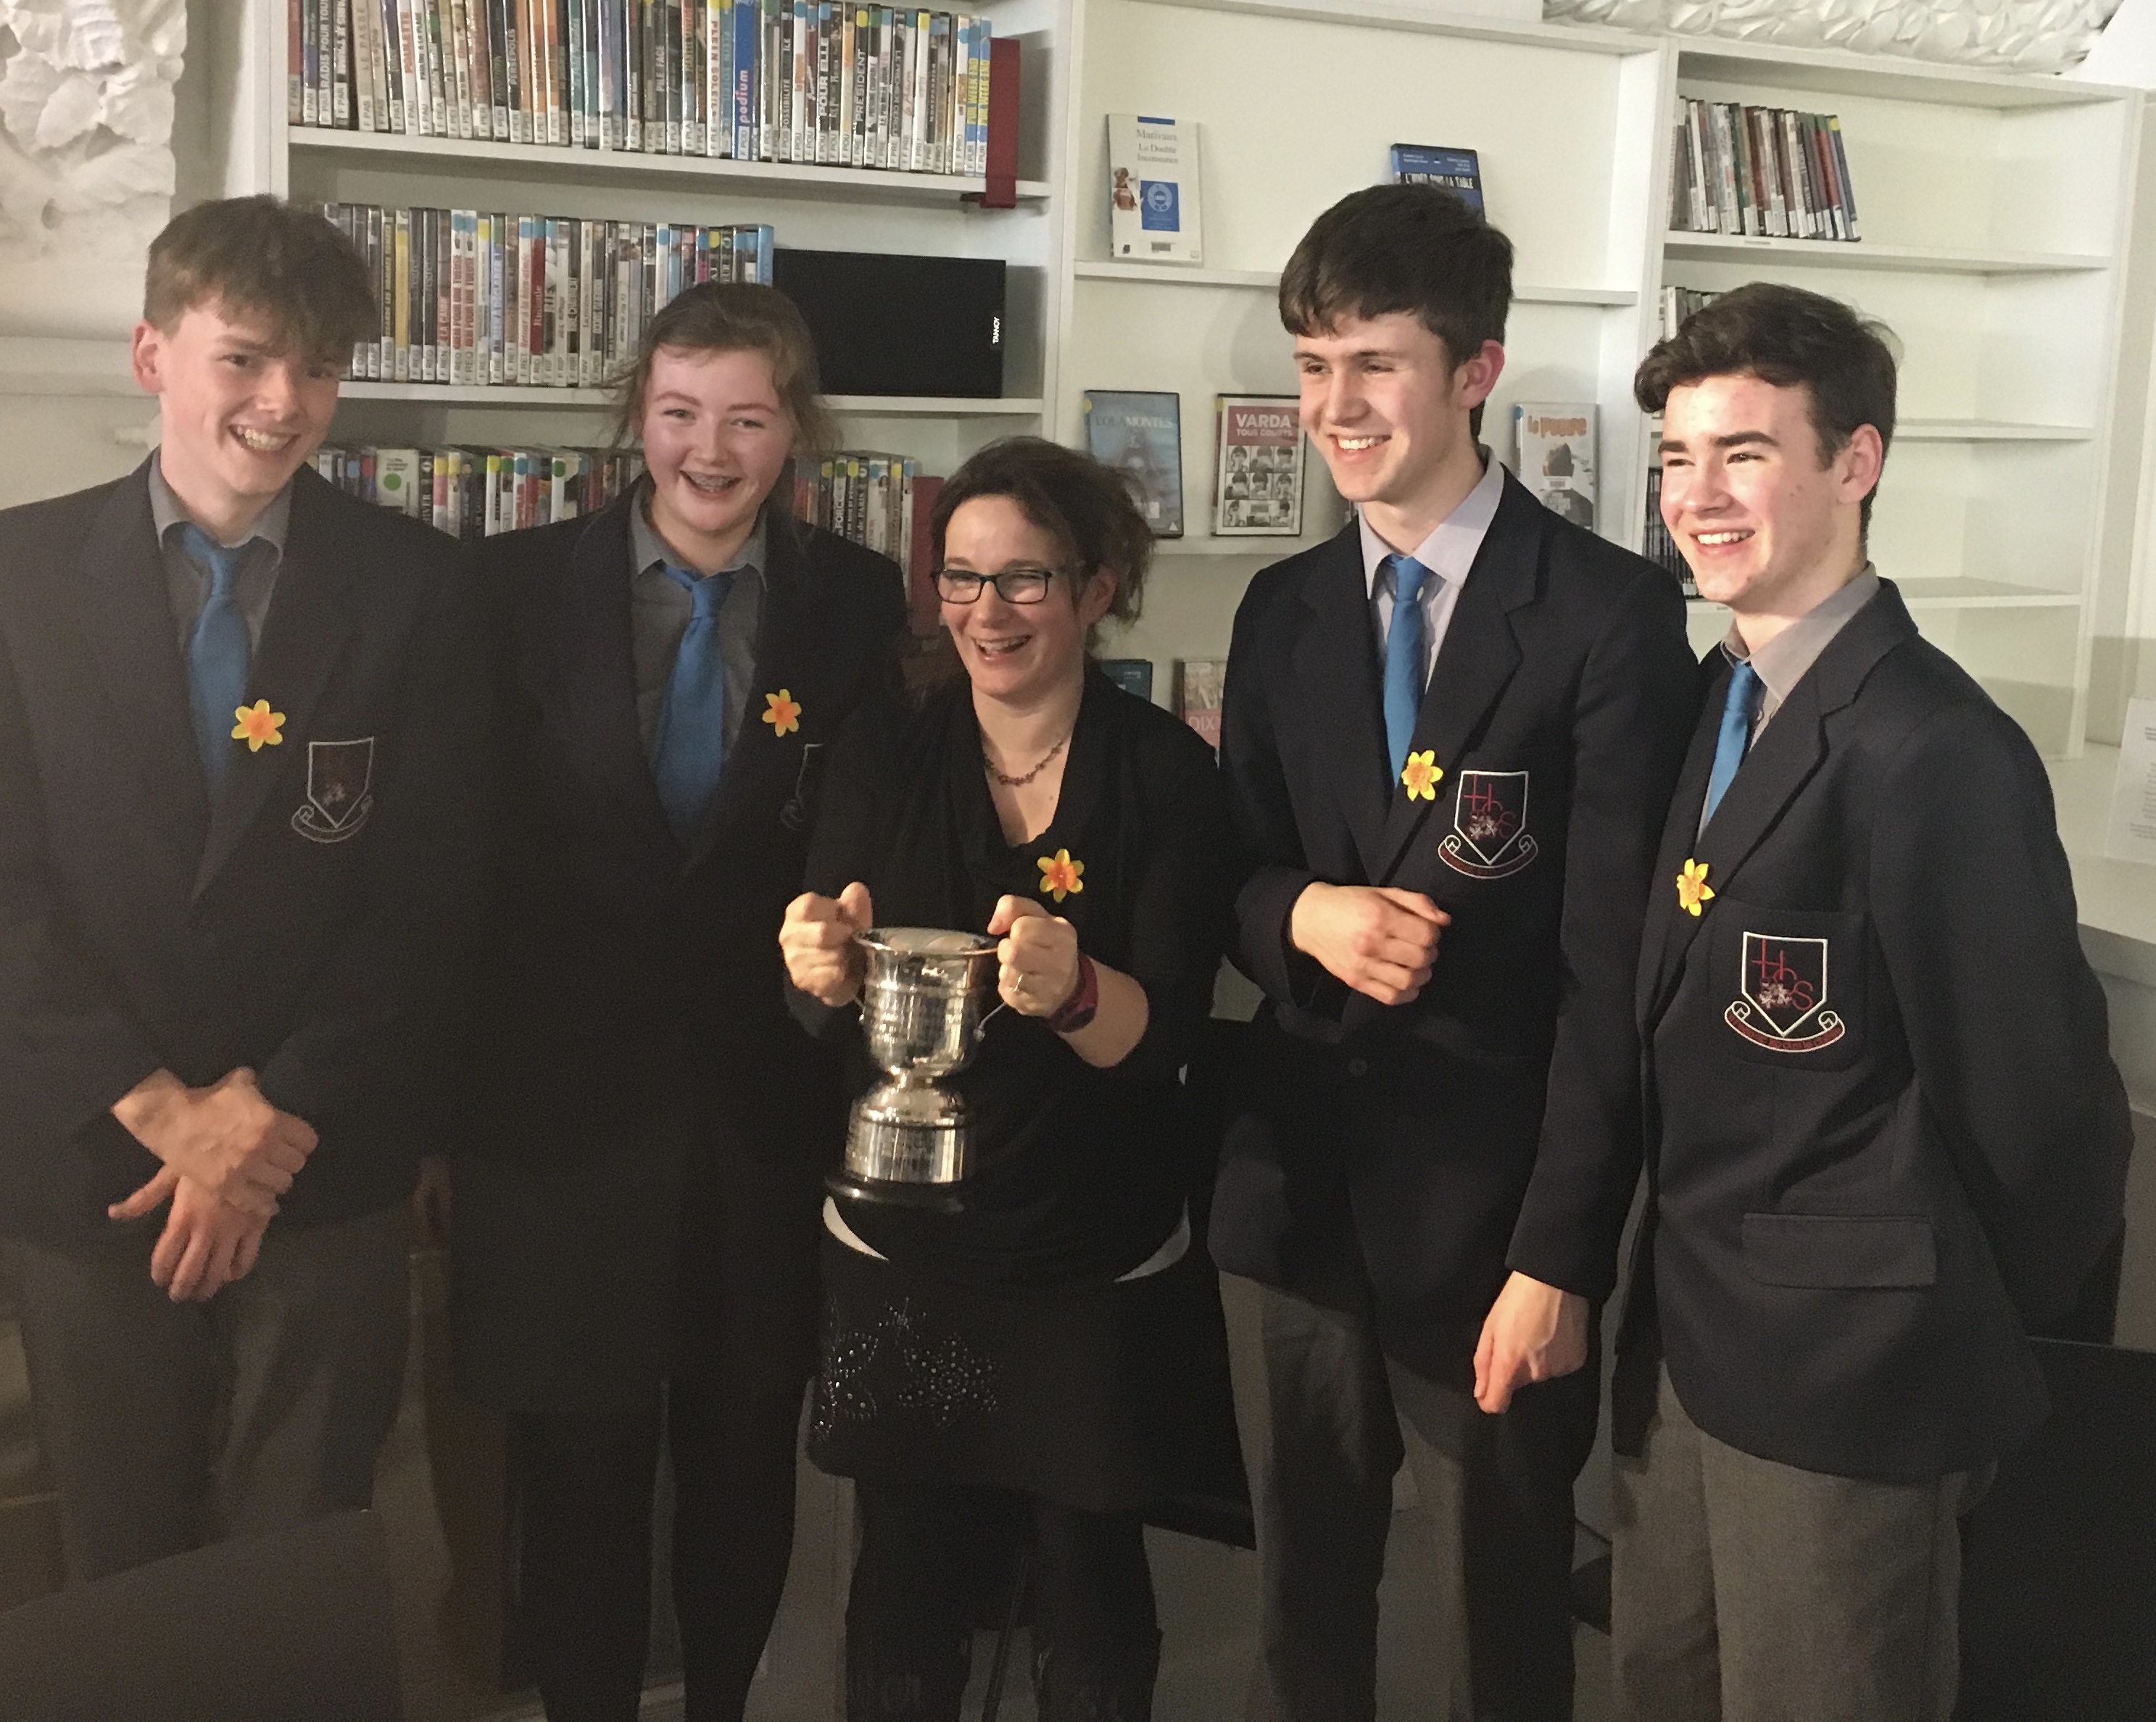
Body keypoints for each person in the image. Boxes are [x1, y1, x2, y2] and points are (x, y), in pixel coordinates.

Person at [1209, 183, 1699, 1721]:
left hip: (1492, 1223)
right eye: (1308, 366)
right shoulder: (1280, 610)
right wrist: (1301, 913)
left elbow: (1611, 970)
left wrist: (1559, 1255)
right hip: (1291, 1193)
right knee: (1300, 1600)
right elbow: (1224, 871)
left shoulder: (1609, 618)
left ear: (1474, 370)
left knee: (1497, 1613)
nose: (1331, 408)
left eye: (1371, 364)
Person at [1612, 282, 2132, 1721]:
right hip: (1695, 1349)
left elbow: (2040, 1120)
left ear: (1855, 462)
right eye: (1672, 458)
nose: (1694, 497)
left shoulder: (1930, 746)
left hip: (1849, 1385)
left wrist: (1929, 1319)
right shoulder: (1722, 700)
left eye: (1741, 454)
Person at [0, 196, 486, 1580]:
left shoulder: (419, 591)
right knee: (123, 1563)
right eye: (247, 358)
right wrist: (165, 1114)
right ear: (154, 353)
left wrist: (262, 1125)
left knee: (304, 1562)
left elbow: (431, 896)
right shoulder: (13, 575)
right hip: (94, 1169)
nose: (286, 403)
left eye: (321, 368)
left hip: (317, 1166)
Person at [449, 281, 907, 1722]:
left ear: (795, 434)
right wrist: (438, 1123)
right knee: (575, 1475)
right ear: (634, 420)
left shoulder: (850, 600)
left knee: (740, 1452)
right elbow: (463, 858)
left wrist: (838, 915)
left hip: (761, 1111)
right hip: (556, 1120)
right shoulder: (512, 591)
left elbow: (865, 818)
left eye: (747, 420)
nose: (709, 451)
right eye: (678, 414)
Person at [779, 436, 1237, 1722]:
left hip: (1087, 1257)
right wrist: (813, 966)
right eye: (962, 580)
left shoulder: (1166, 773)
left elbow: (1171, 1050)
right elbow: (816, 1011)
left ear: (1097, 590)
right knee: (908, 1586)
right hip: (901, 1249)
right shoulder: (885, 750)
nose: (987, 614)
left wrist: (1075, 990)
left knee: (1090, 1588)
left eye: (1024, 581)